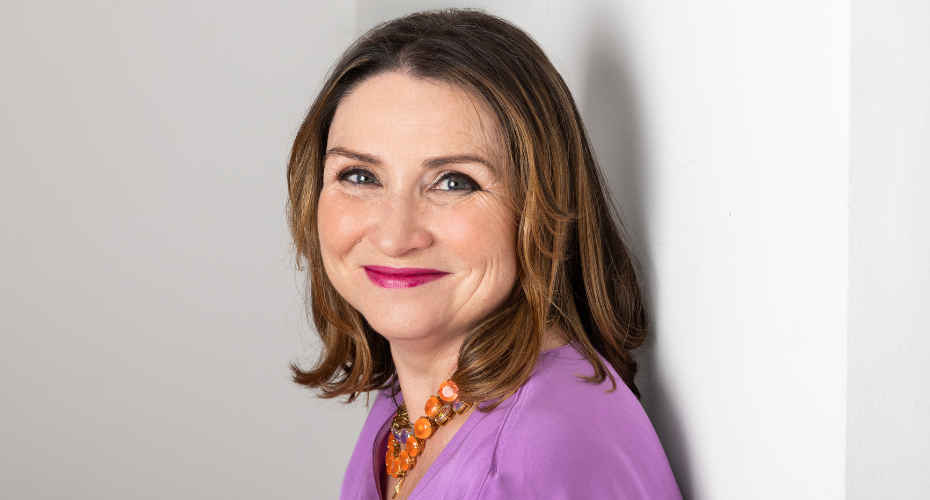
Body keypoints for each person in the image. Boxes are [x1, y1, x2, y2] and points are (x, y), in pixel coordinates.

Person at [286, 8, 681, 500]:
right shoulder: (410, 402)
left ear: (540, 207)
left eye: (453, 182)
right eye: (360, 176)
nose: (394, 235)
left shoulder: (536, 457)